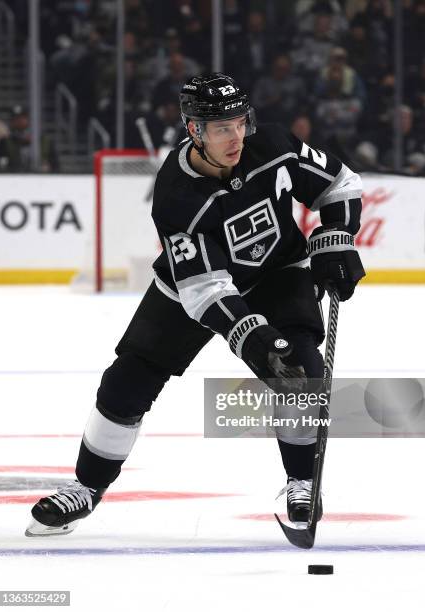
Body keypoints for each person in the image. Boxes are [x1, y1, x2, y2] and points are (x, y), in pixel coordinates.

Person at [25, 73, 365, 537]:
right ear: (194, 131)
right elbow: (205, 289)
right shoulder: (176, 196)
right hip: (191, 286)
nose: (236, 136)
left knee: (300, 373)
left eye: (240, 122)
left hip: (278, 270)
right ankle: (87, 487)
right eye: (222, 128)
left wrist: (334, 239)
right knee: (127, 381)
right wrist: (253, 339)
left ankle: (302, 481)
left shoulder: (275, 144)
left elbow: (339, 183)